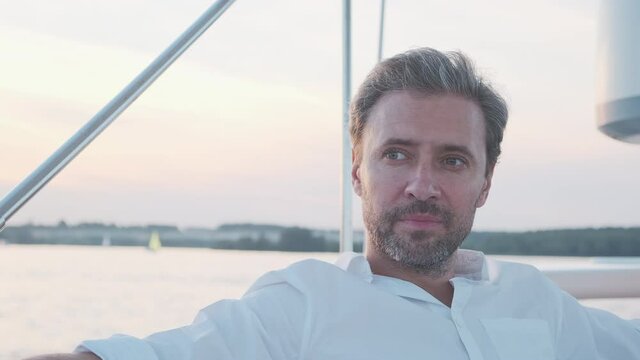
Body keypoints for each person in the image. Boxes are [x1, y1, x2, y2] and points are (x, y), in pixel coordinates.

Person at [27, 48, 640, 360]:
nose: (422, 184)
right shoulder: (298, 308)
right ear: (357, 172)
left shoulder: (541, 304)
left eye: (452, 160)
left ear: (486, 181)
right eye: (396, 154)